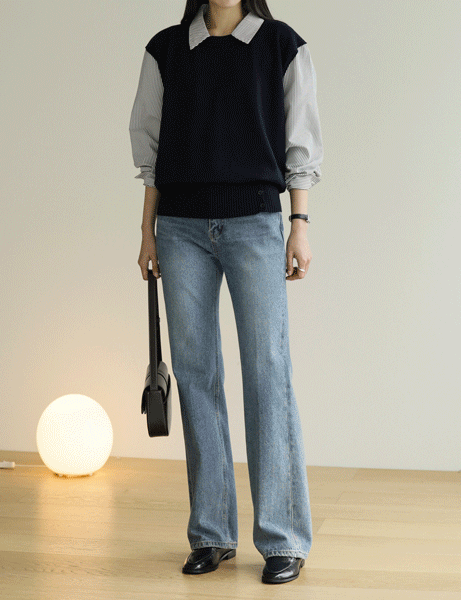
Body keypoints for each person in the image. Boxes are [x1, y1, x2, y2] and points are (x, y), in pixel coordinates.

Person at [129, 0, 323, 585]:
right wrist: (147, 231)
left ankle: (283, 539)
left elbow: (300, 137)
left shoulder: (280, 44)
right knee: (196, 375)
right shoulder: (166, 49)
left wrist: (299, 224)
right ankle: (211, 533)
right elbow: (151, 149)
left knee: (268, 371)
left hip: (255, 225)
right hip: (180, 230)